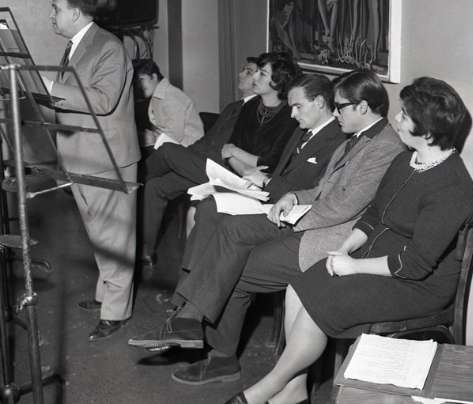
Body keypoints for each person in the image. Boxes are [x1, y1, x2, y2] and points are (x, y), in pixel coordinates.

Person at [128, 70, 405, 385]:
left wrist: (292, 217)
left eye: (340, 106)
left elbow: (342, 208)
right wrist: (294, 197)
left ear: (363, 107)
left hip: (331, 236)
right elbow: (321, 190)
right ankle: (195, 328)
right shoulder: (356, 137)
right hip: (312, 217)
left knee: (233, 249)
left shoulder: (384, 146)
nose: (335, 111)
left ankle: (201, 334)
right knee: (226, 233)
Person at [223, 77, 473, 404]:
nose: (396, 118)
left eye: (404, 115)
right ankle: (294, 389)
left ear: (428, 132)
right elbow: (374, 213)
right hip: (378, 256)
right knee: (298, 286)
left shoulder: (452, 189)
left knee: (320, 304)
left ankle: (265, 389)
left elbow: (415, 265)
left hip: (416, 284)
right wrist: (346, 247)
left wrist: (354, 266)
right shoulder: (406, 161)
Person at [141, 52, 301, 265]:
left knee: (168, 150)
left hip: (242, 181)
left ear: (277, 82)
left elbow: (267, 161)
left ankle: (133, 182)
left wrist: (236, 156)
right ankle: (145, 252)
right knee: (156, 186)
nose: (254, 77)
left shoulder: (288, 116)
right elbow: (226, 148)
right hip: (226, 170)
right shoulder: (248, 107)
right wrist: (238, 160)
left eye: (261, 74)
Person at [46, 0, 140, 341]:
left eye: (55, 8)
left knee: (115, 237)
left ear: (74, 12)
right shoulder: (77, 45)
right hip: (84, 155)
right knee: (99, 233)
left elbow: (102, 100)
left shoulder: (108, 47)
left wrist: (50, 88)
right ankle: (106, 294)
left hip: (107, 158)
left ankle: (116, 311)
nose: (52, 15)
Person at [135, 60, 204, 151]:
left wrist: (153, 139)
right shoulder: (156, 97)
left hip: (191, 149)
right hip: (175, 147)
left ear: (154, 77)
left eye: (141, 79)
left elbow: (175, 135)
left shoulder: (171, 96)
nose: (139, 85)